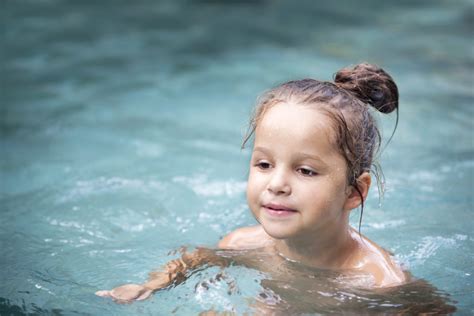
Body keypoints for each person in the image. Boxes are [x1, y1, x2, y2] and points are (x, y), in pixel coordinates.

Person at [96, 63, 408, 304]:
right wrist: (149, 286)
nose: (277, 184)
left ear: (354, 192)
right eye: (264, 164)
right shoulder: (243, 244)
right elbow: (196, 259)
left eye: (306, 171)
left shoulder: (379, 282)